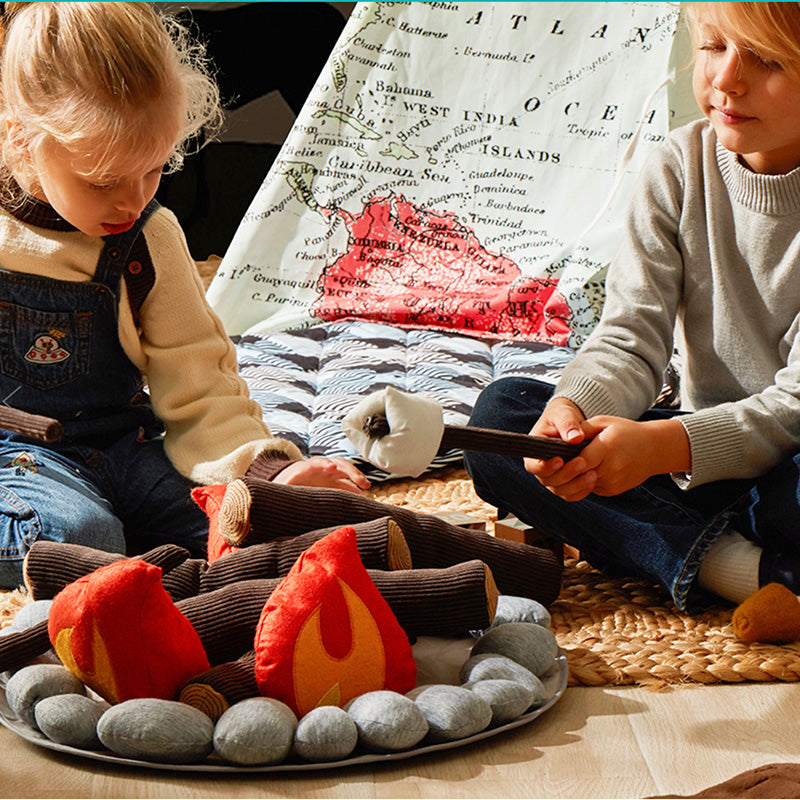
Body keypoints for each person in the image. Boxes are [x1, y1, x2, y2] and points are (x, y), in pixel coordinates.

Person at [0, 2, 367, 589]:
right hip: (17, 457)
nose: (132, 200)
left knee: (246, 526)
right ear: (21, 137)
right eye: (102, 181)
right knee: (83, 538)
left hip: (126, 445)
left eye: (153, 170)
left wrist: (267, 474)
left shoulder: (148, 236)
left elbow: (201, 386)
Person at [464, 1, 800, 613]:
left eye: (767, 58)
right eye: (713, 46)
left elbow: (792, 410)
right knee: (502, 422)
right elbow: (629, 338)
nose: (726, 79)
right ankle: (743, 569)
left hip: (781, 462)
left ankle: (690, 547)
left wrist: (663, 448)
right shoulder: (677, 167)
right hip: (697, 463)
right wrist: (572, 416)